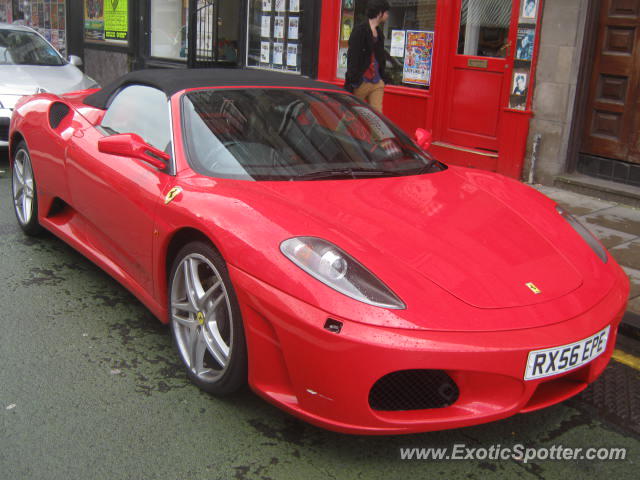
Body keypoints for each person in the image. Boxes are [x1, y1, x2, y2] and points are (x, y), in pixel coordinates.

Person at [344, 0, 390, 113]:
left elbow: (380, 57)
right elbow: (352, 57)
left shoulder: (379, 33)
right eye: (386, 12)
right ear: (380, 13)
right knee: (351, 115)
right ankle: (338, 131)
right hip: (361, 81)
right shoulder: (359, 30)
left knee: (377, 119)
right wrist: (355, 79)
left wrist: (382, 78)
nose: (387, 15)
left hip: (377, 82)